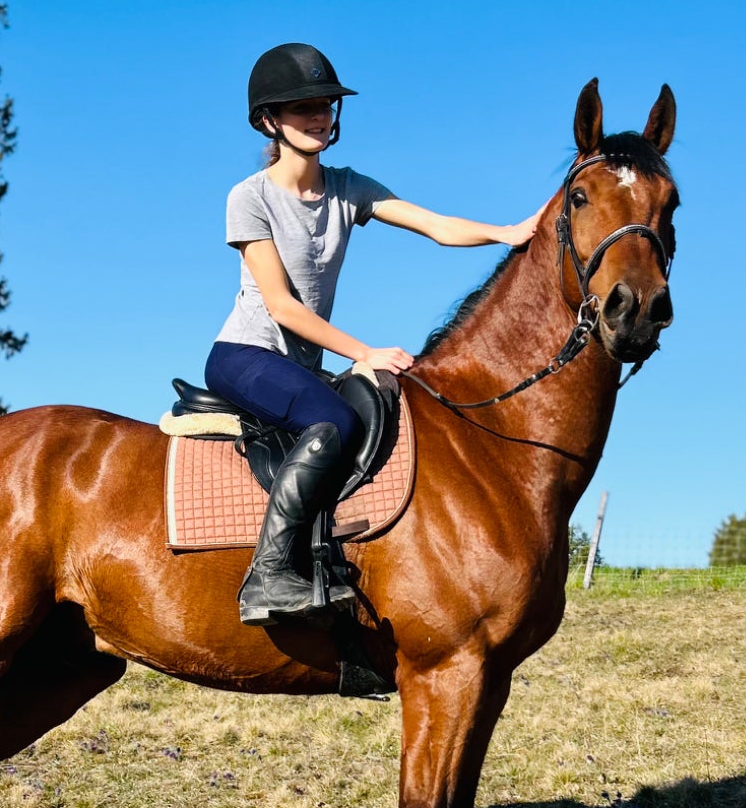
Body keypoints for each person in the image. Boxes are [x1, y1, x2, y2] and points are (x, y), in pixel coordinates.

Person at [207, 42, 542, 623]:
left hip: (299, 365)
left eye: (326, 104)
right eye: (302, 106)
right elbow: (283, 307)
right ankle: (268, 577)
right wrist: (366, 353)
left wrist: (510, 232)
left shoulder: (348, 187)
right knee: (335, 420)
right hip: (244, 355)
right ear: (268, 119)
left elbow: (434, 225)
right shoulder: (248, 198)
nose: (319, 116)